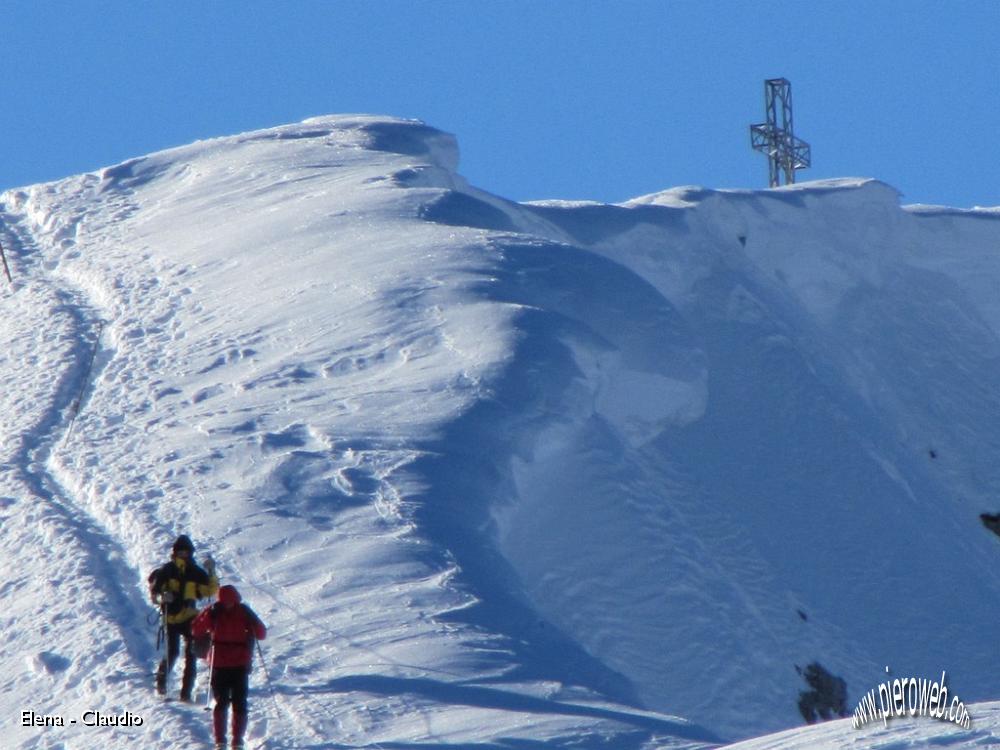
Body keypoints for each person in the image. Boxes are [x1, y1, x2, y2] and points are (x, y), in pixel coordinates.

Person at [192, 584, 267, 749]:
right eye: (225, 601)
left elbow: (261, 633)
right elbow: (197, 630)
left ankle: (236, 740)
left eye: (230, 601)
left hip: (235, 663)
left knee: (238, 702)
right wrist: (208, 617)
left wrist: (253, 626)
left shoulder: (241, 611)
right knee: (223, 702)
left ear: (235, 599)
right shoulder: (215, 611)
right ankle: (222, 740)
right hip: (223, 662)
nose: (228, 604)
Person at [148, 534, 218, 701]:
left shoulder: (194, 572)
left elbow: (210, 590)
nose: (184, 555)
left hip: (188, 619)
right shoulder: (168, 570)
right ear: (175, 553)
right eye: (181, 552)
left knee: (189, 656)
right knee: (173, 653)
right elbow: (154, 593)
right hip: (173, 619)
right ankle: (163, 684)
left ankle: (184, 692)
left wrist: (211, 572)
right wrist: (162, 597)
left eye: (186, 552)